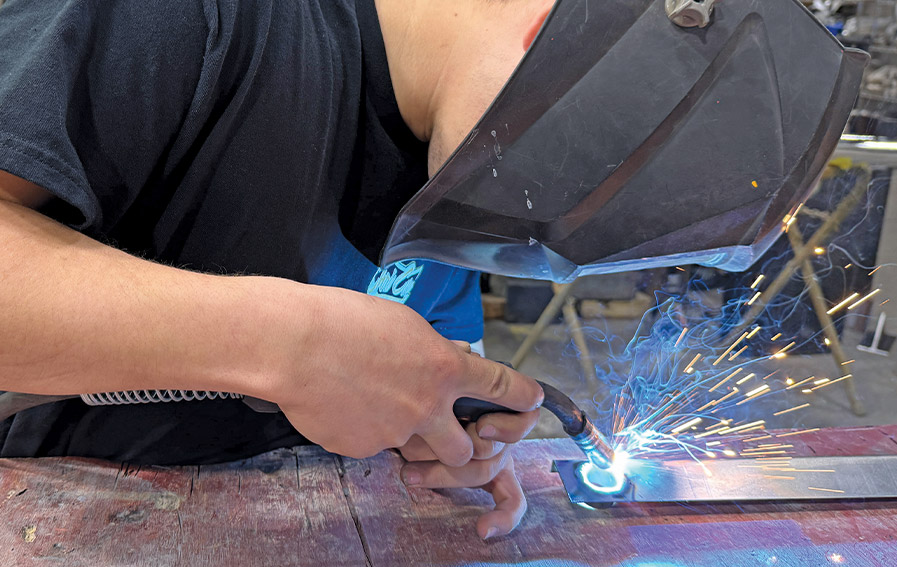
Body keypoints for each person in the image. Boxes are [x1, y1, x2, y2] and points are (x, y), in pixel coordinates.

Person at [0, 0, 556, 539]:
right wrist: (289, 344)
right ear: (544, 40)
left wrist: (442, 426)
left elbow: (439, 366)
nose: (537, 231)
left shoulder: (454, 179)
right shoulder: (186, 17)